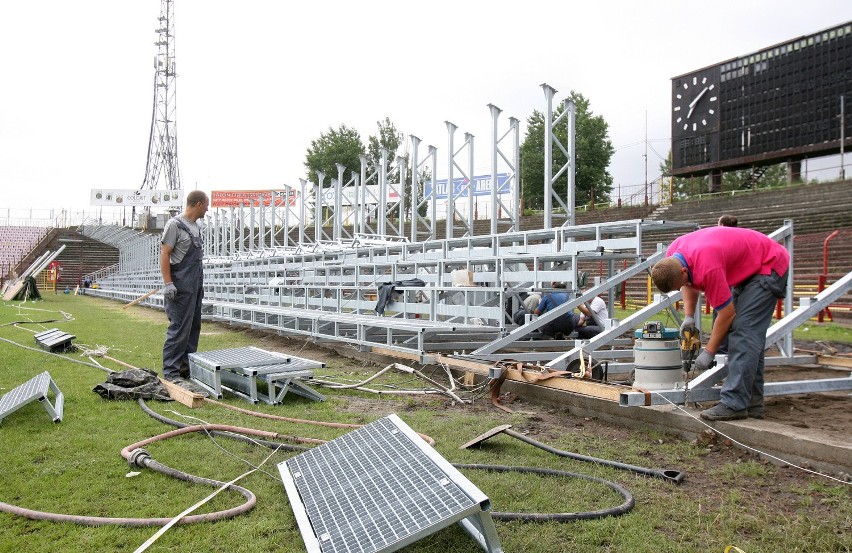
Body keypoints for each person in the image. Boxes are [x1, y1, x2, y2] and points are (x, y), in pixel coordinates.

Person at [651, 226, 789, 421]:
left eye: (680, 284)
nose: (682, 287)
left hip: (768, 264)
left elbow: (726, 314)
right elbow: (687, 282)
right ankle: (751, 403)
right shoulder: (673, 253)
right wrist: (689, 317)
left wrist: (708, 352)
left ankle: (734, 404)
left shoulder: (708, 267)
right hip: (749, 264)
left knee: (744, 331)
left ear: (682, 271)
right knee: (748, 336)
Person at [160, 191, 209, 382]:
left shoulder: (196, 227)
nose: (207, 209)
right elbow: (165, 254)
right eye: (206, 205)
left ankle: (185, 369)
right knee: (179, 328)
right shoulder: (175, 225)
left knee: (193, 327)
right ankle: (171, 372)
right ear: (198, 204)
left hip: (195, 285)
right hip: (180, 286)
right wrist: (168, 283)